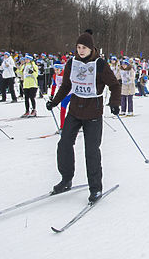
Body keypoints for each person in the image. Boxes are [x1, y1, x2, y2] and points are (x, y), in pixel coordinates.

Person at [46, 30, 121, 203]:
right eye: (78, 47)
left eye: (84, 47)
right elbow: (66, 86)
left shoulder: (100, 64)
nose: (80, 50)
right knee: (64, 143)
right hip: (75, 110)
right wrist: (55, 102)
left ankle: (95, 188)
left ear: (91, 48)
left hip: (93, 112)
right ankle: (66, 179)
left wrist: (115, 103)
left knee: (91, 151)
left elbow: (115, 85)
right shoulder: (72, 63)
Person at [51, 61, 71, 131]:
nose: (56, 71)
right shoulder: (54, 76)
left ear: (61, 69)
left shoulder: (66, 75)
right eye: (55, 70)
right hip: (63, 95)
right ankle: (62, 126)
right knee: (62, 110)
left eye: (57, 70)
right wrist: (52, 95)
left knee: (73, 110)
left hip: (71, 94)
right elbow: (54, 86)